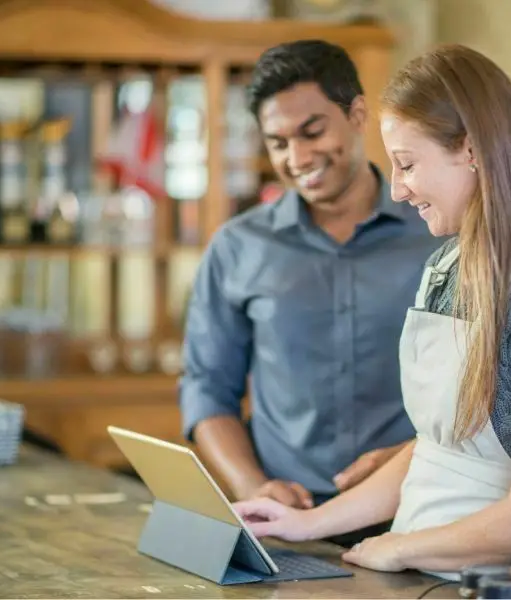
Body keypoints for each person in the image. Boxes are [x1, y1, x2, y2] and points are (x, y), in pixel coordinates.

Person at [232, 44, 511, 578]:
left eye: (408, 164)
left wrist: (399, 547)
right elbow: (436, 452)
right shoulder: (446, 268)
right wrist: (306, 523)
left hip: (486, 582)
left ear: (471, 151)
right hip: (416, 570)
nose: (397, 187)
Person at [179, 40, 443, 545]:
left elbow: (480, 388)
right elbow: (207, 389)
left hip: (418, 516)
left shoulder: (437, 234)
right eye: (277, 143)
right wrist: (254, 489)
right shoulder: (237, 248)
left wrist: (413, 457)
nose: (297, 158)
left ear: (358, 113)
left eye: (312, 132)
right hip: (286, 526)